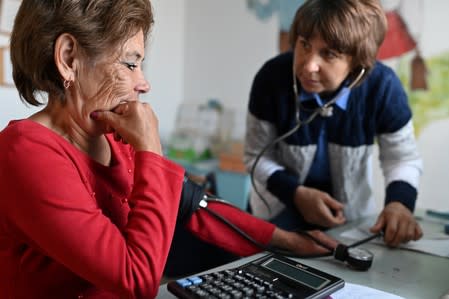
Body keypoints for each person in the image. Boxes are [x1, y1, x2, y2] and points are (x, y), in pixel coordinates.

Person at [0, 1, 338, 298]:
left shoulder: (111, 136)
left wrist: (284, 240)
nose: (143, 83)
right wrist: (150, 151)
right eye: (130, 64)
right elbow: (136, 280)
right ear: (69, 58)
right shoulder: (27, 153)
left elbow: (191, 203)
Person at [244, 0, 423, 248]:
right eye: (304, 45)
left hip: (349, 222)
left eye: (328, 54)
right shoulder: (271, 78)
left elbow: (402, 158)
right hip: (277, 215)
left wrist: (400, 203)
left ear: (357, 61)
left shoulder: (383, 87)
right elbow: (255, 156)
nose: (308, 65)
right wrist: (296, 194)